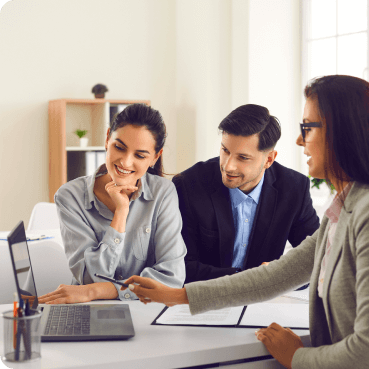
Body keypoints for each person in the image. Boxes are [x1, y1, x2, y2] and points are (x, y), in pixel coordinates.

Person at [124, 75, 369, 369]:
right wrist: (178, 295)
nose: (299, 139)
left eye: (308, 127)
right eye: (225, 151)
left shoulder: (360, 211)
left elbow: (364, 351)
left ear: (341, 133)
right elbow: (276, 275)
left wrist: (296, 357)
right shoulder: (342, 208)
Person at [39, 103, 186, 304]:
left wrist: (98, 290)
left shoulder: (163, 193)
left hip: (145, 311)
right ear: (108, 138)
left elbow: (171, 279)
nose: (125, 162)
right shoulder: (69, 196)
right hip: (89, 309)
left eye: (140, 155)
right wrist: (121, 213)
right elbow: (90, 278)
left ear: (155, 157)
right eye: (119, 147)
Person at [172, 104, 319, 283]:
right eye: (225, 151)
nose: (227, 166)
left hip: (265, 302)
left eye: (243, 158)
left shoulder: (294, 188)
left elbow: (317, 260)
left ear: (269, 159)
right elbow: (180, 266)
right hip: (205, 299)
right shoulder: (188, 184)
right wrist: (250, 279)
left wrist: (280, 274)